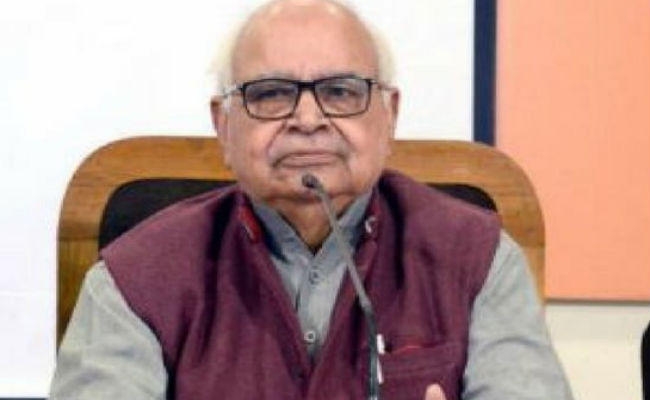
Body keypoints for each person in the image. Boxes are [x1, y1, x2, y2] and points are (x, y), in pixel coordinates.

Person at [50, 0, 574, 399]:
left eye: (341, 91)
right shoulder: (137, 278)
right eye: (271, 93)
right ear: (223, 125)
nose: (307, 119)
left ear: (389, 116)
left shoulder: (477, 258)